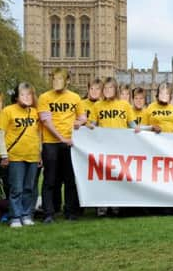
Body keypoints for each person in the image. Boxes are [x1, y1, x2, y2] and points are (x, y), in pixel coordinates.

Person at [37, 68, 86, 223]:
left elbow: (83, 116)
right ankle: (49, 213)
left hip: (69, 143)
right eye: (54, 79)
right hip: (51, 143)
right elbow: (47, 122)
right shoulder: (44, 97)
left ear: (68, 81)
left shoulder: (75, 98)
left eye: (59, 79)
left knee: (70, 179)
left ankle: (71, 212)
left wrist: (79, 122)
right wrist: (62, 138)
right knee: (50, 180)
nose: (56, 82)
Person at [87, 77, 139, 217]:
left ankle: (116, 206)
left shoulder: (124, 105)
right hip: (103, 147)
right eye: (106, 88)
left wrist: (144, 130)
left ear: (115, 89)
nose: (108, 90)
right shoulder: (97, 106)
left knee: (117, 177)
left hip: (119, 147)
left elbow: (133, 125)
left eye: (111, 88)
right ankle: (102, 207)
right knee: (102, 177)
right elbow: (92, 125)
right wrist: (84, 125)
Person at [0, 83, 41, 228]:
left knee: (29, 188)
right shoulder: (8, 111)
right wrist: (3, 155)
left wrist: (40, 154)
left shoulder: (35, 112)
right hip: (15, 156)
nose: (26, 97)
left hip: (33, 155)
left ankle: (26, 215)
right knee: (16, 189)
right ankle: (15, 217)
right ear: (16, 97)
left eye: (29, 94)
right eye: (23, 94)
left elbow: (38, 134)